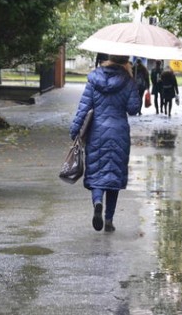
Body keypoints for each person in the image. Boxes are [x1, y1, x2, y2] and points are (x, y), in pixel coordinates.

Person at [70, 54, 140, 232]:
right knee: (113, 175)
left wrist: (75, 130)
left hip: (97, 132)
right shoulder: (128, 81)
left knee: (97, 172)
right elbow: (133, 109)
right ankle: (109, 220)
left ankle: (97, 202)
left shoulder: (94, 79)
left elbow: (84, 107)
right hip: (119, 133)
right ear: (125, 61)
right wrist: (135, 85)